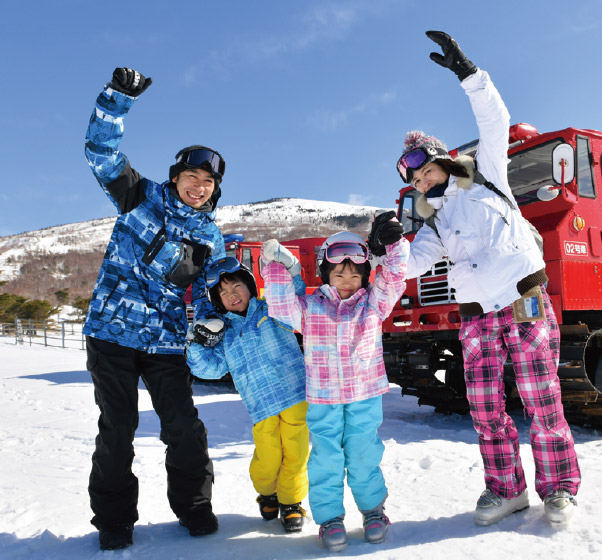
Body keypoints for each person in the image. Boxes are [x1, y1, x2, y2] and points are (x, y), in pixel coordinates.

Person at [396, 32, 581, 528]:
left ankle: (559, 488)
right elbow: (410, 266)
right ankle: (506, 490)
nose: (418, 183)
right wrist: (386, 245)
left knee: (542, 402)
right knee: (485, 411)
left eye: (422, 171)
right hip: (477, 321)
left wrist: (469, 75)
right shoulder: (435, 224)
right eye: (412, 180)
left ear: (440, 160)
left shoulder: (487, 177)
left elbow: (494, 120)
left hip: (525, 303)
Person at [83, 67, 225, 550]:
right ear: (176, 177)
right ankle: (114, 519)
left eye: (208, 181)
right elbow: (99, 153)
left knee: (184, 427)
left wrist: (210, 323)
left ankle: (195, 506)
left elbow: (209, 288)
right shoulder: (139, 195)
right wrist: (117, 98)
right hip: (111, 334)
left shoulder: (209, 235)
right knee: (117, 429)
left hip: (165, 340)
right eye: (191, 176)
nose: (199, 186)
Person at [261, 213, 408, 552]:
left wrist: (394, 245)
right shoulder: (311, 308)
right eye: (339, 272)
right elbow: (280, 306)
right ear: (326, 273)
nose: (347, 279)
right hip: (324, 399)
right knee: (326, 458)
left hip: (364, 394)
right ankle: (329, 519)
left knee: (362, 455)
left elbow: (395, 277)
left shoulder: (374, 304)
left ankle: (373, 512)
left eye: (355, 273)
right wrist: (275, 266)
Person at [186, 256, 310, 533]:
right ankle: (267, 493)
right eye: (224, 293)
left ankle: (291, 502)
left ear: (251, 286)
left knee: (296, 455)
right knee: (268, 459)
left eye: (236, 287)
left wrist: (292, 272)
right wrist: (197, 342)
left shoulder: (272, 309)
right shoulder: (225, 332)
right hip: (261, 405)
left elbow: (299, 301)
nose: (232, 296)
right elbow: (210, 369)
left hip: (295, 397)